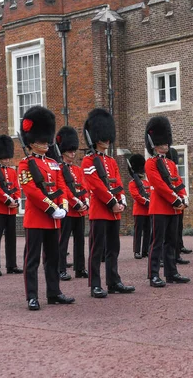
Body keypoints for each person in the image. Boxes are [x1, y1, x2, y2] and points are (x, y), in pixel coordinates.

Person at [18, 106, 75, 310]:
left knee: (53, 258)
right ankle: (31, 296)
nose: (45, 144)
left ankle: (54, 292)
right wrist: (52, 208)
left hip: (54, 220)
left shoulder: (53, 163)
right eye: (41, 141)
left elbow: (61, 186)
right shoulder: (25, 164)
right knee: (32, 260)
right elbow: (31, 191)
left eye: (45, 140)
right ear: (31, 143)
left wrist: (64, 206)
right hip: (36, 219)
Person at [82, 108, 135, 298]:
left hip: (114, 210)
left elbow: (117, 181)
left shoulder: (111, 161)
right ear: (94, 137)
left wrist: (121, 200)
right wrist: (112, 201)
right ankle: (95, 284)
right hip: (99, 210)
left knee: (113, 248)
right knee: (97, 249)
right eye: (102, 137)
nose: (106, 140)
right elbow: (95, 186)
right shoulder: (88, 161)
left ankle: (113, 281)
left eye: (107, 137)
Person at [144, 116, 191, 287]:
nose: (166, 145)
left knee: (171, 242)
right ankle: (153, 274)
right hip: (159, 207)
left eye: (166, 142)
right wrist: (175, 199)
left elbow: (177, 181)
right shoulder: (150, 164)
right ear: (154, 144)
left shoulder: (170, 163)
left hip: (174, 208)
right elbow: (160, 185)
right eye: (162, 143)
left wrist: (184, 196)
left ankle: (171, 272)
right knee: (157, 242)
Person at [54, 126, 89, 281]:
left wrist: (85, 201)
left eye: (74, 151)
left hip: (80, 210)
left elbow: (83, 186)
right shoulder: (59, 168)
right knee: (64, 240)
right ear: (63, 152)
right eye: (70, 151)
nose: (72, 154)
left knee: (80, 240)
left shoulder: (77, 169)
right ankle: (61, 268)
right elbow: (63, 189)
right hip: (68, 209)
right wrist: (75, 203)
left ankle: (80, 268)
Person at [0, 134, 22, 277]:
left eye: (8, 158)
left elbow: (17, 188)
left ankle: (11, 265)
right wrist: (8, 200)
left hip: (11, 210)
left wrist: (17, 200)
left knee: (11, 238)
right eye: (5, 158)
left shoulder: (13, 171)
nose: (7, 160)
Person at [167, 147, 190, 264]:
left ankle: (177, 254)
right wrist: (176, 200)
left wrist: (184, 201)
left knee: (177, 231)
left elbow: (181, 186)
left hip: (178, 206)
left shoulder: (175, 173)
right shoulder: (162, 170)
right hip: (168, 205)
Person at [128, 154, 151, 260]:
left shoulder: (147, 182)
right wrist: (147, 202)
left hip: (148, 211)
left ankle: (145, 250)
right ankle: (137, 251)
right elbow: (136, 196)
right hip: (139, 211)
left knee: (147, 231)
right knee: (138, 232)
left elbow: (151, 193)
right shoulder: (132, 183)